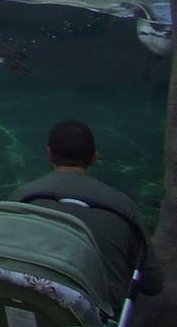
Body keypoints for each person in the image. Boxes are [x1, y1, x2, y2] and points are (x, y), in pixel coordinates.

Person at [11, 120, 163, 310]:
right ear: (94, 157)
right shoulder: (123, 206)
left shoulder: (23, 197)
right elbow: (152, 283)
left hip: (33, 316)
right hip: (97, 326)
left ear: (49, 154)